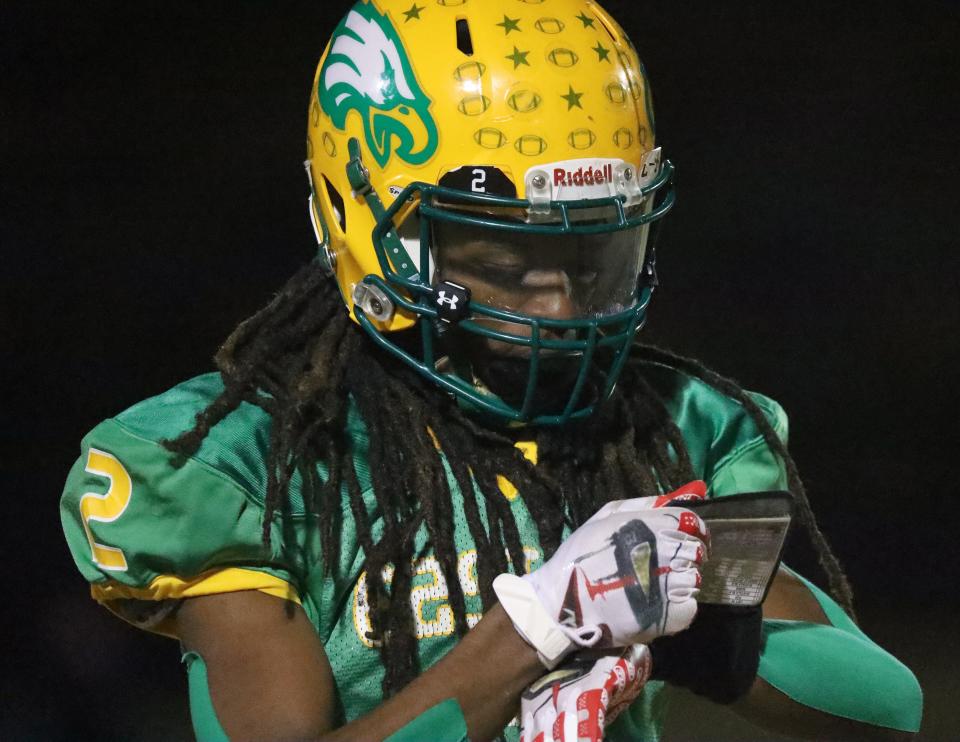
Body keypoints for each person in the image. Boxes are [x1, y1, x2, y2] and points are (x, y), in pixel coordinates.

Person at [60, 1, 922, 740]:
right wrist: (540, 629)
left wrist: (672, 632)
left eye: (592, 256)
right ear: (364, 224)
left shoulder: (664, 427)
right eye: (504, 261)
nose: (558, 306)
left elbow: (887, 707)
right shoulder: (250, 461)